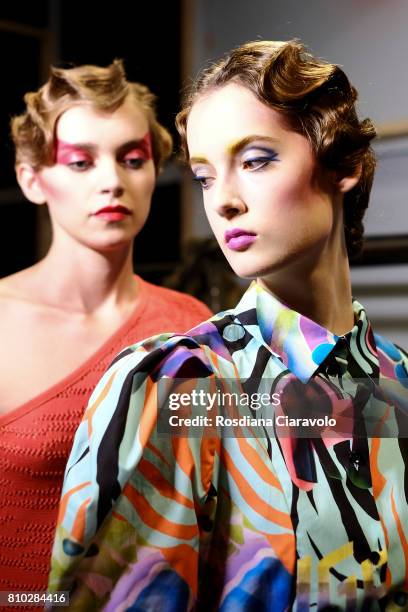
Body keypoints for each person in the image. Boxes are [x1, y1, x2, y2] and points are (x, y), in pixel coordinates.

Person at [48, 42, 408, 611]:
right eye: (204, 177)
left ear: (344, 167)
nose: (224, 202)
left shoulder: (398, 384)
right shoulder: (181, 384)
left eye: (257, 159)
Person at [0, 60, 211, 595]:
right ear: (32, 179)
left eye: (132, 159)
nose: (112, 181)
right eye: (80, 162)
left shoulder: (192, 328)